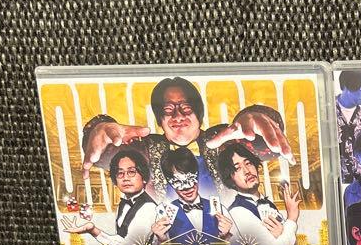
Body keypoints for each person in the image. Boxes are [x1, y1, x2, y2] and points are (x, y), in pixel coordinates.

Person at [80, 74, 292, 192]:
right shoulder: (143, 147)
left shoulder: (223, 140)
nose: (178, 115)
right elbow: (107, 156)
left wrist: (257, 119)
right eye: (168, 109)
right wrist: (99, 130)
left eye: (186, 107)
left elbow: (264, 148)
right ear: (159, 119)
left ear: (199, 114)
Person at [62, 147, 157, 245]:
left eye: (131, 172)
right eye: (120, 173)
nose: (125, 178)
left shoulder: (149, 207)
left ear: (144, 177)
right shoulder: (124, 203)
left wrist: (93, 231)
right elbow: (121, 239)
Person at [216, 141, 300, 245]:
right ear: (230, 179)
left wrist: (282, 234)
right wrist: (292, 218)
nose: (247, 171)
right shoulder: (238, 212)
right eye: (237, 168)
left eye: (248, 163)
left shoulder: (267, 203)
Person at [152, 145, 222, 245]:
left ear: (197, 175)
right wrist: (162, 241)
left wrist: (226, 236)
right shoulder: (164, 216)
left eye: (190, 178)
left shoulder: (219, 209)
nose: (187, 187)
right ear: (170, 183)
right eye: (178, 181)